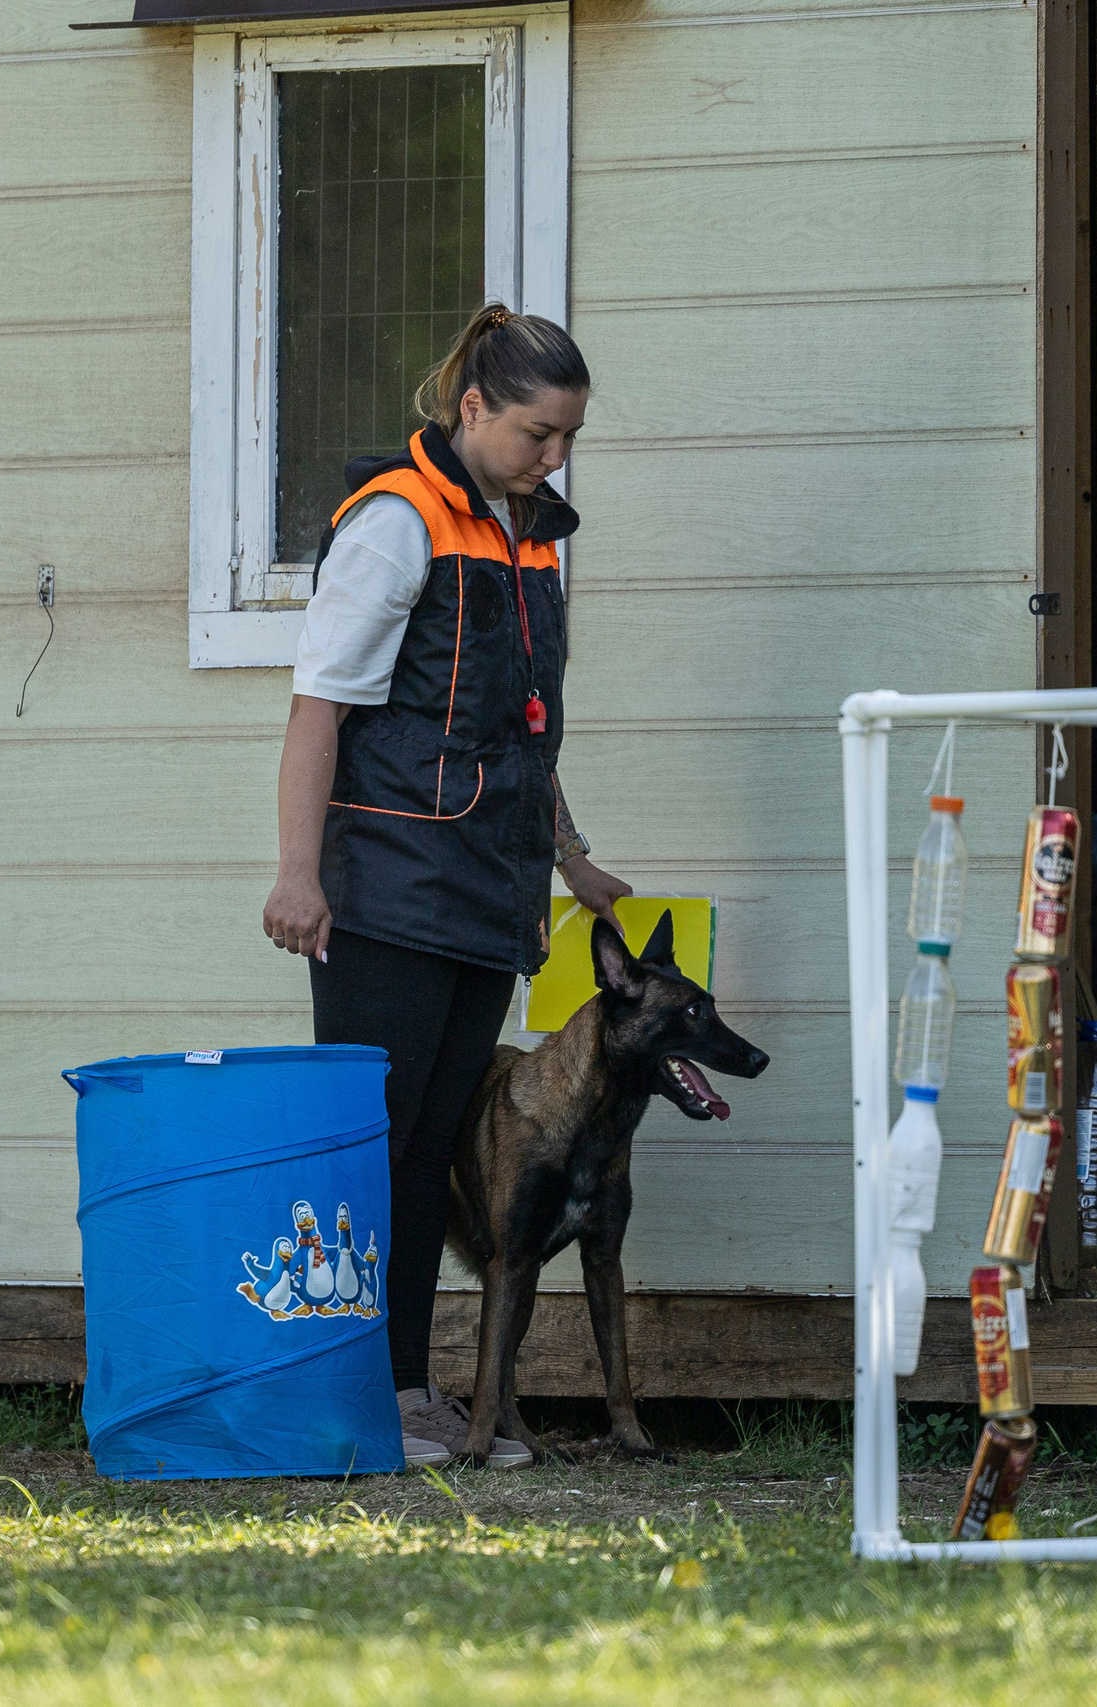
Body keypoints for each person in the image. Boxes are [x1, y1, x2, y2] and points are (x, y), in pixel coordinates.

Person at [261, 304, 629, 1469]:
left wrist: (569, 856)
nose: (552, 457)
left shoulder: (525, 535)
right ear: (472, 407)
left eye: (568, 437)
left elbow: (523, 729)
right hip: (384, 891)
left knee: (437, 1153)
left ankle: (411, 1393)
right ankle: (362, 1396)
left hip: (488, 890)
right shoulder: (395, 523)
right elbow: (319, 708)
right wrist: (295, 874)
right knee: (375, 1149)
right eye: (535, 433)